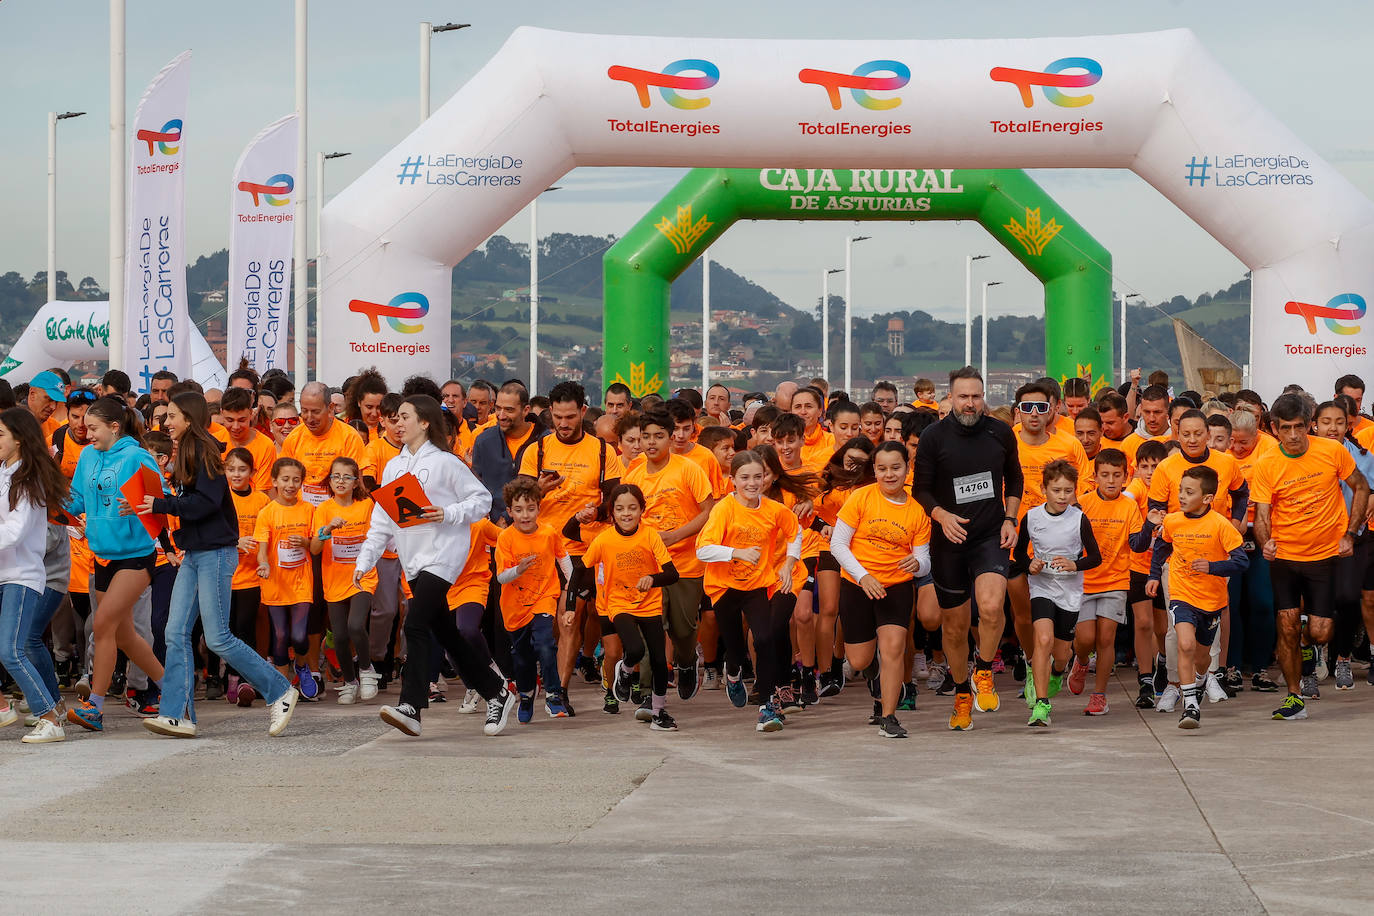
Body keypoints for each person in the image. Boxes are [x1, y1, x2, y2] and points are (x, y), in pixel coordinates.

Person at [134, 392, 298, 738]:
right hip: (196, 553)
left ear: (190, 419)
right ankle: (178, 713)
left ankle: (280, 690)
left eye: (174, 416)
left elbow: (205, 503)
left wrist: (163, 504)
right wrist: (160, 503)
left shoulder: (203, 450)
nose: (167, 423)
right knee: (175, 632)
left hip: (216, 553)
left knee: (219, 638)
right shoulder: (189, 452)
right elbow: (192, 501)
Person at [355, 394, 515, 738]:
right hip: (413, 560)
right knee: (449, 636)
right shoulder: (394, 467)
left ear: (424, 422)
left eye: (404, 417)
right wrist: (365, 559)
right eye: (395, 418)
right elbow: (382, 520)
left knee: (415, 624)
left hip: (444, 556)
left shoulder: (446, 462)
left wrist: (449, 513)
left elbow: (481, 499)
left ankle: (411, 707)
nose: (397, 423)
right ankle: (496, 691)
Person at [914, 367, 1022, 730]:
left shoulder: (1000, 432)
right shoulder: (933, 436)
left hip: (990, 534)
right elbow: (921, 490)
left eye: (976, 396)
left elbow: (1015, 477)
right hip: (948, 541)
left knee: (991, 607)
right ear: (951, 397)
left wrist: (1010, 518)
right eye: (964, 397)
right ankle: (962, 693)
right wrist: (941, 515)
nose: (971, 403)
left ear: (983, 397)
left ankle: (985, 670)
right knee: (955, 628)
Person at [1252, 393, 1370, 720]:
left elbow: (1360, 487)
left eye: (1299, 427)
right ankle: (1294, 698)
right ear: (1274, 428)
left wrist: (1351, 533)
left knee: (1321, 632)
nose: (1293, 435)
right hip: (1286, 557)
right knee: (1286, 623)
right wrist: (1266, 542)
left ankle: (1309, 643)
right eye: (1285, 428)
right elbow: (1262, 515)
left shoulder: (1331, 451)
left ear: (1309, 425)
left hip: (1325, 556)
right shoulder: (1266, 464)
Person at [64, 397, 166, 732]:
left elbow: (162, 501)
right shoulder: (87, 456)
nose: (86, 432)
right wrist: (51, 498)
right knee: (124, 636)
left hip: (136, 556)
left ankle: (94, 705)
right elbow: (76, 499)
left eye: (92, 428)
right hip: (102, 556)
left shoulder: (137, 456)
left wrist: (137, 504)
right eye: (84, 427)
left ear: (114, 426)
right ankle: (173, 689)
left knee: (102, 625)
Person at [518, 381, 619, 703]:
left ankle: (558, 691)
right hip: (540, 546)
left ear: (583, 412)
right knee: (547, 625)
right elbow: (519, 499)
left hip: (581, 548)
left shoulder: (603, 451)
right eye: (557, 417)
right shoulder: (537, 450)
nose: (563, 424)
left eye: (570, 417)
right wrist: (541, 490)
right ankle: (543, 673)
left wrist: (597, 511)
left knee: (568, 616)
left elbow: (615, 501)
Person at [829, 442, 935, 738]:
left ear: (907, 469)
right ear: (874, 470)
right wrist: (863, 577)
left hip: (896, 586)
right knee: (860, 660)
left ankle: (889, 716)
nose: (889, 475)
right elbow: (837, 545)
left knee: (893, 650)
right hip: (857, 584)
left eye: (896, 468)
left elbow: (924, 559)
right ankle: (873, 673)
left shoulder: (917, 510)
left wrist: (918, 564)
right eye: (882, 469)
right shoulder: (861, 498)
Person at [695, 450, 801, 734]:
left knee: (765, 639)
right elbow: (703, 549)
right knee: (736, 647)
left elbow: (795, 532)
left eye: (758, 476)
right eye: (745, 477)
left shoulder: (773, 509)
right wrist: (736, 552)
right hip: (724, 587)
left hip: (758, 585)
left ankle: (767, 706)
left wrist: (789, 565)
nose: (752, 483)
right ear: (733, 480)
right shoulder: (724, 509)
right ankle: (732, 672)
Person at [1143, 466, 1249, 729]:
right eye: (1180, 490)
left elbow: (1241, 562)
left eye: (1189, 492)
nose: (1181, 496)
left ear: (1207, 498)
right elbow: (1162, 548)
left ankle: (1201, 678)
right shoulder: (1172, 521)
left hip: (1211, 599)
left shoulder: (1221, 525)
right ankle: (1190, 705)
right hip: (1181, 592)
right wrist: (1154, 576)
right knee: (1185, 644)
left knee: (1202, 656)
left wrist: (1212, 567)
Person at [623, 410, 715, 700]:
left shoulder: (688, 469)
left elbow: (708, 511)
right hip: (650, 566)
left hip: (686, 564)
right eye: (645, 437)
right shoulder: (635, 474)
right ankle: (651, 692)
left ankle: (687, 663)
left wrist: (676, 535)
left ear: (670, 437)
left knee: (683, 629)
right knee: (652, 628)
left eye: (658, 436)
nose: (651, 443)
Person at [579, 483, 681, 731]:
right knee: (634, 649)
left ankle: (658, 713)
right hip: (618, 603)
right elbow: (581, 571)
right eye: (620, 509)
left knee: (658, 660)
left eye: (632, 508)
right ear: (612, 512)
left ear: (642, 510)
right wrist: (572, 606)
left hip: (649, 605)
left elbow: (672, 574)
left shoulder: (650, 535)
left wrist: (652, 579)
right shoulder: (604, 539)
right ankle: (624, 671)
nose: (627, 514)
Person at [0, 408, 71, 743]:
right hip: (4, 574)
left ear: (19, 438)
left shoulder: (29, 480)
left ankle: (49, 718)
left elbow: (14, 532)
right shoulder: (3, 472)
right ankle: (35, 709)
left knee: (11, 651)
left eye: (0, 434)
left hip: (22, 576)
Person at [1014, 460, 1101, 727]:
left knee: (1062, 653)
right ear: (1044, 489)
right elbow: (1018, 554)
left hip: (1070, 591)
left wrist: (1075, 564)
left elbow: (1095, 557)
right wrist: (1030, 564)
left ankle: (1057, 672)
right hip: (1042, 587)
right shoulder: (1032, 517)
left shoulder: (1078, 519)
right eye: (1056, 490)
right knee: (1042, 639)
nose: (1062, 496)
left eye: (1067, 491)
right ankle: (1041, 704)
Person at [1070, 448, 1146, 715]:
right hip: (1083, 581)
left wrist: (1151, 527)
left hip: (1116, 580)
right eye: (1105, 475)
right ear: (1095, 477)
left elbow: (1137, 544)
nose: (1111, 481)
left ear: (1126, 477)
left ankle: (1099, 695)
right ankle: (1080, 661)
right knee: (1085, 638)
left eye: (1117, 475)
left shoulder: (1129, 506)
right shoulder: (1083, 503)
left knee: (1106, 638)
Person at [495, 476, 572, 722]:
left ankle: (553, 694)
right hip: (515, 606)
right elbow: (501, 578)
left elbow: (563, 557)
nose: (525, 515)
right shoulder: (505, 538)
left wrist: (571, 583)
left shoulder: (549, 533)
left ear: (539, 507)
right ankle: (527, 695)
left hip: (544, 596)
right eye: (518, 510)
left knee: (545, 645)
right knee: (522, 656)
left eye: (530, 508)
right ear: (509, 511)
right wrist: (518, 569)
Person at [1314, 399, 1374, 690]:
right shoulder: (1304, 456)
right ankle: (1313, 660)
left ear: (1348, 425)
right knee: (1316, 603)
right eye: (1326, 422)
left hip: (1352, 538)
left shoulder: (1363, 457)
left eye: (1339, 422)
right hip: (1312, 541)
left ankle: (1343, 658)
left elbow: (1370, 491)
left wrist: (1357, 521)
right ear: (1315, 424)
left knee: (1349, 599)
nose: (1332, 428)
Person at [310, 457, 380, 705]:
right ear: (329, 481)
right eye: (335, 476)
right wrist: (327, 530)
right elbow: (315, 549)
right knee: (338, 635)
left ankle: (367, 669)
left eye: (346, 477)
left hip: (363, 577)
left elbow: (376, 539)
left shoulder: (366, 506)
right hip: (334, 579)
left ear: (355, 481)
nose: (340, 481)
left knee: (354, 625)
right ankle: (349, 682)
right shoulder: (324, 509)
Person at [254, 457, 320, 700]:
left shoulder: (309, 510)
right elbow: (262, 546)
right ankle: (283, 689)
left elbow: (315, 547)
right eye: (285, 479)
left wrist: (304, 542)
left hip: (302, 582)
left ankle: (302, 668)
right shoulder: (267, 513)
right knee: (281, 635)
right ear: (274, 481)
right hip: (275, 582)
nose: (291, 485)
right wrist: (262, 564)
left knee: (300, 636)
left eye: (296, 480)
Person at [1226, 408, 1279, 693]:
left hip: (1260, 535)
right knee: (1230, 606)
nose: (1236, 447)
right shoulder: (1222, 452)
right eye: (1232, 441)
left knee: (1262, 603)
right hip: (1229, 538)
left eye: (1243, 443)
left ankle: (1260, 668)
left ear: (1257, 435)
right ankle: (1231, 667)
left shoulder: (1270, 449)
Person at [471, 381, 545, 523]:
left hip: (536, 529)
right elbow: (476, 488)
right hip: (495, 531)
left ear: (525, 410)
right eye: (498, 408)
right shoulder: (484, 441)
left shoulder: (545, 441)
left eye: (509, 410)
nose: (501, 415)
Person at [218, 386, 277, 492]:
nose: (236, 427)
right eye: (230, 420)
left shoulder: (265, 446)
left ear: (251, 414)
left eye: (241, 420)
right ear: (222, 413)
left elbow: (262, 494)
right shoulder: (214, 442)